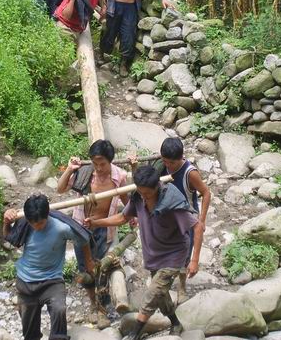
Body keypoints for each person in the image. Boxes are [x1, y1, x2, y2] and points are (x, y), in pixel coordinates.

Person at [86, 166, 204, 340]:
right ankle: (176, 324)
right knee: (161, 295)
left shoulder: (172, 202)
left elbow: (198, 226)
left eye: (147, 193)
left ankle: (134, 333)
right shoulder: (138, 196)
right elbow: (123, 217)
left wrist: (194, 260)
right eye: (141, 192)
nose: (144, 197)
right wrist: (96, 222)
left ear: (157, 187)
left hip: (174, 254)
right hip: (154, 254)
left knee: (153, 292)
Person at [56, 139, 133, 328]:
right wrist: (69, 169)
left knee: (102, 266)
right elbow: (60, 188)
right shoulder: (84, 173)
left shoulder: (119, 177)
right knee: (85, 268)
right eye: (95, 163)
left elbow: (126, 198)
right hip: (81, 227)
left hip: (104, 228)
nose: (98, 168)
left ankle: (103, 305)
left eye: (102, 164)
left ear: (110, 161)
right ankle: (93, 303)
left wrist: (132, 215)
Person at [3, 194, 95, 340]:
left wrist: (88, 261)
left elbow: (84, 239)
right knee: (29, 329)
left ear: (47, 216)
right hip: (26, 281)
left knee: (59, 309)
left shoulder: (61, 228)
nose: (37, 227)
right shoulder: (25, 223)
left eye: (40, 223)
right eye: (33, 223)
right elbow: (9, 236)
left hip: (52, 280)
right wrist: (6, 222)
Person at [156, 137, 211, 304]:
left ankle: (181, 286)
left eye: (172, 163)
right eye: (165, 161)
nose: (168, 165)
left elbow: (206, 193)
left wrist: (202, 219)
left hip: (186, 218)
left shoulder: (190, 173)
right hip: (167, 216)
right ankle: (163, 284)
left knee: (184, 255)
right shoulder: (161, 166)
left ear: (181, 158)